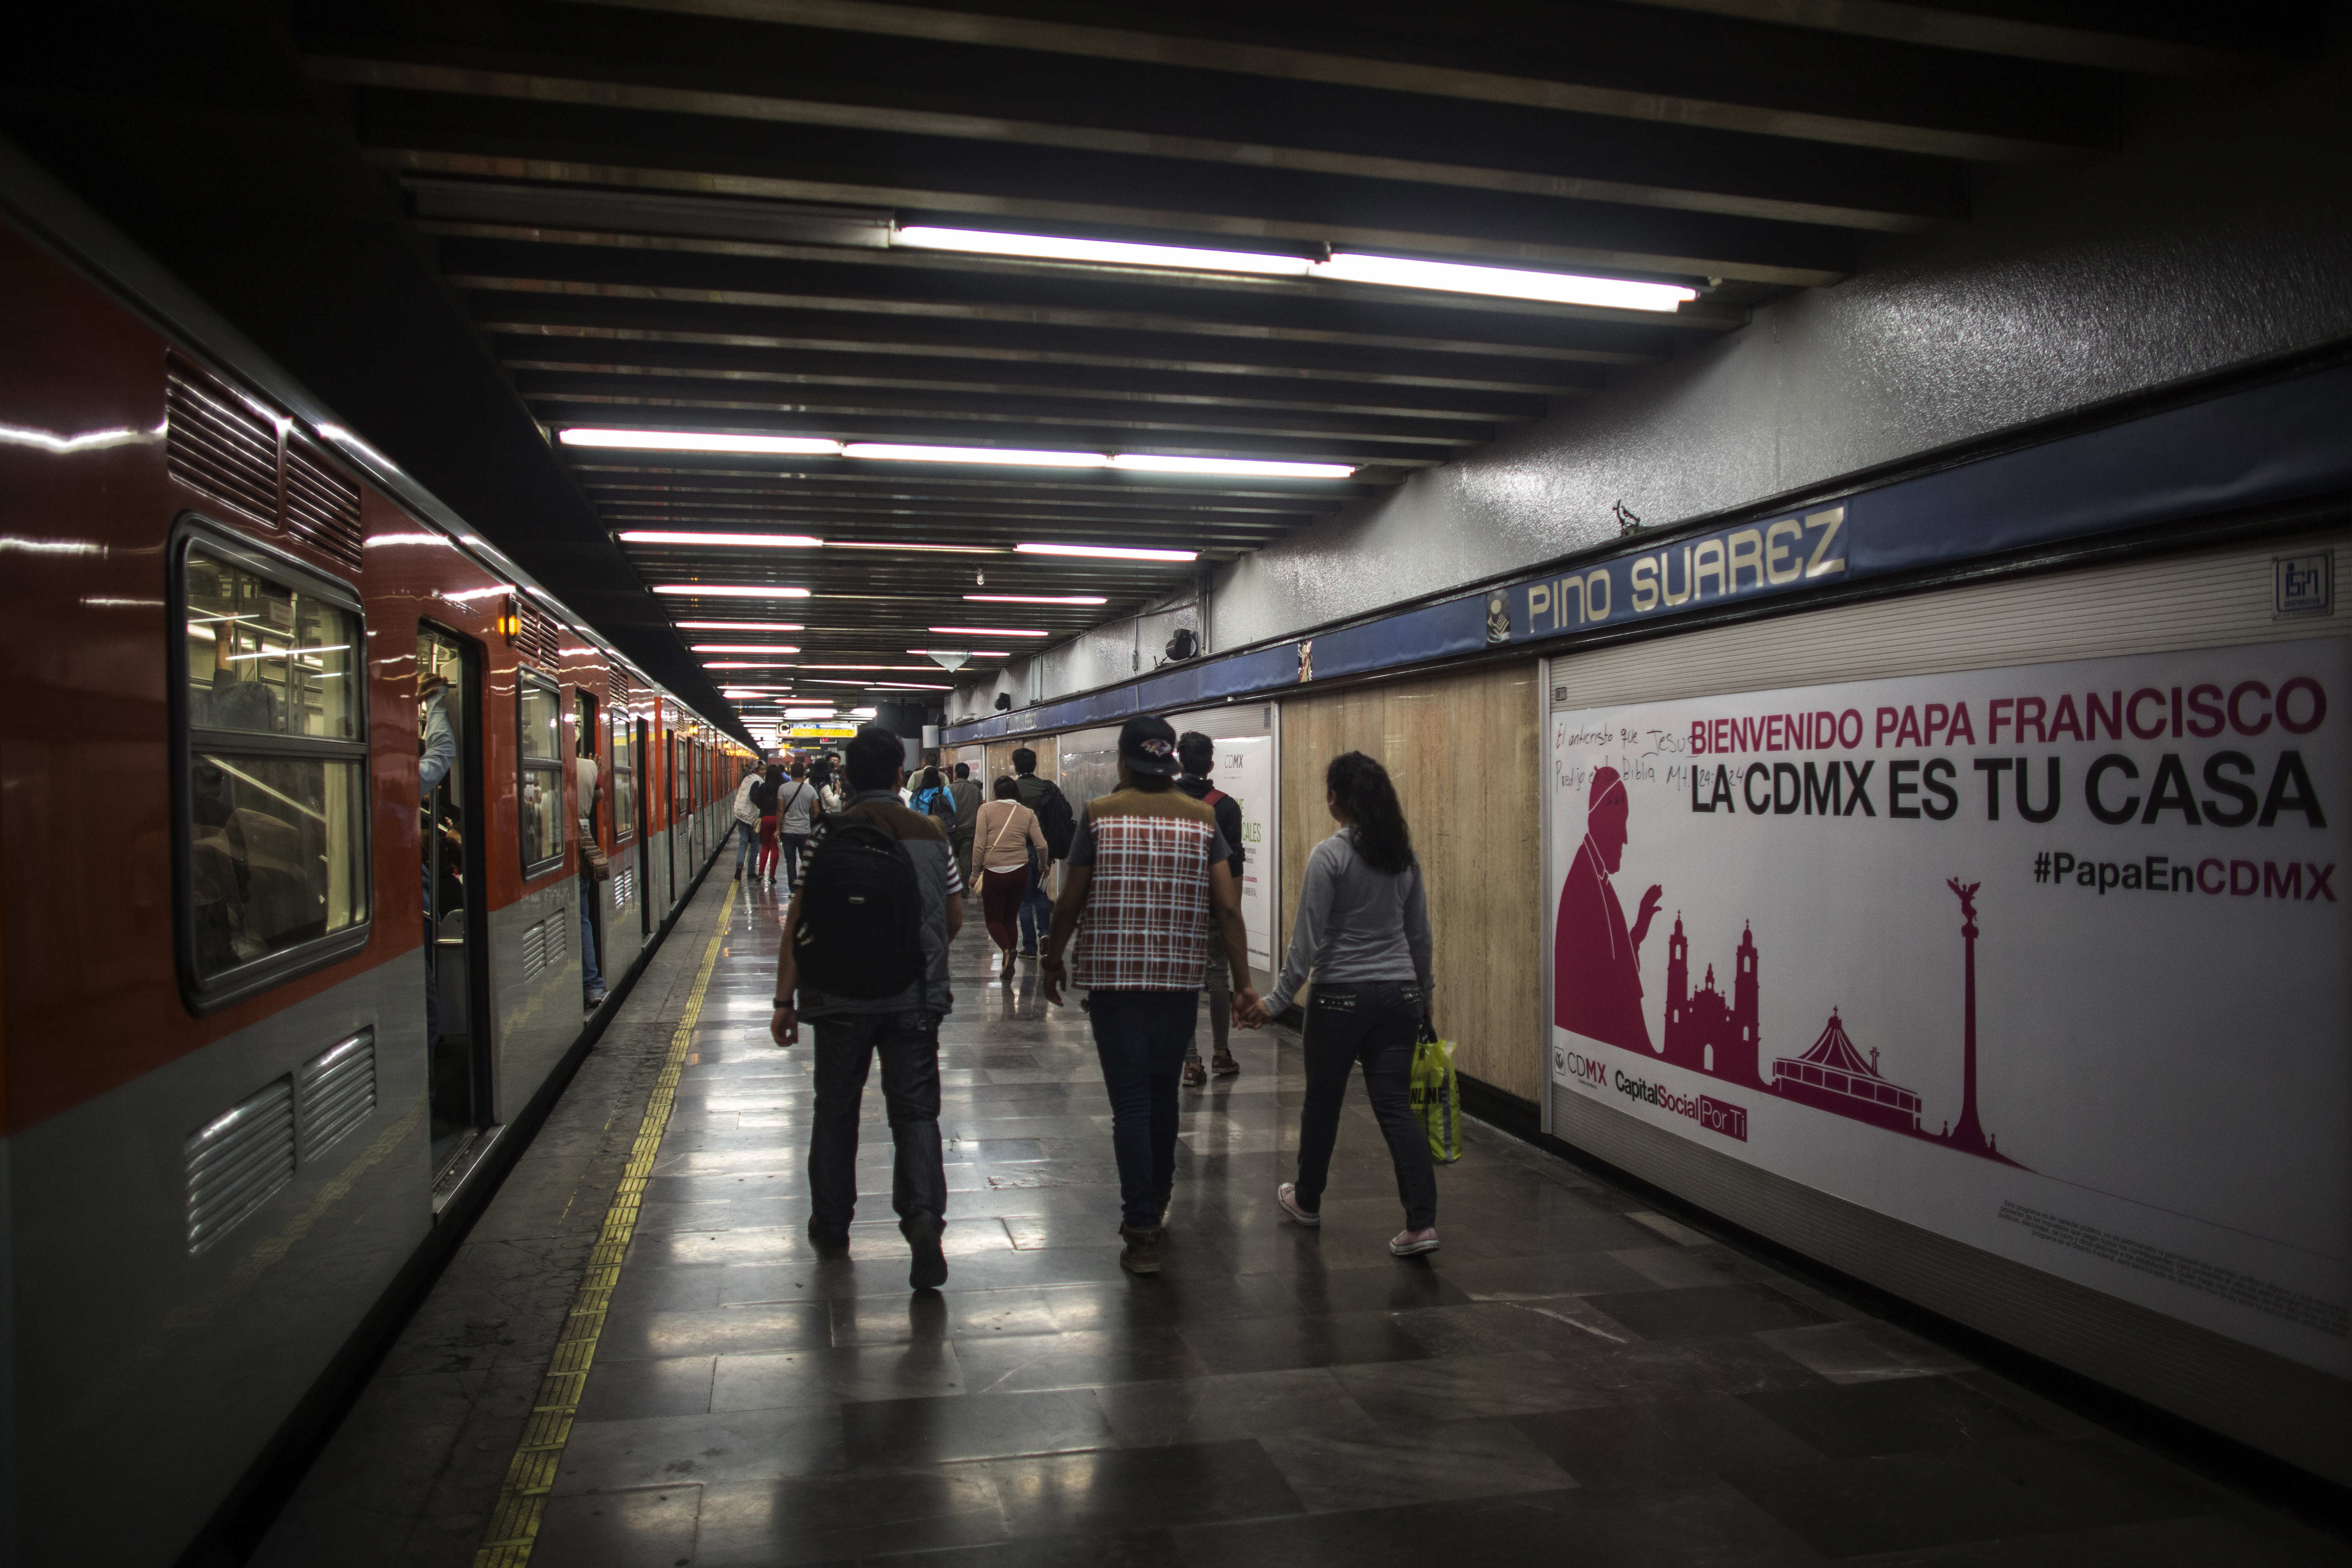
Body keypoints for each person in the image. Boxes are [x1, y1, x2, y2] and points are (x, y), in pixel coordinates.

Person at [1040, 716, 1262, 1275]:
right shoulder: (1204, 818)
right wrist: (1241, 982)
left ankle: (1142, 1222)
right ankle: (1157, 1196)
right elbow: (1228, 907)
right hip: (1179, 980)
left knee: (1131, 1105)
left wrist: (1052, 958)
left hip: (1114, 985)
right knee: (1163, 1096)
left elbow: (1068, 900)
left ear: (1122, 762)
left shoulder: (1098, 815)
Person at [769, 726, 966, 1290]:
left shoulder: (825, 837)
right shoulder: (929, 831)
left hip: (836, 997)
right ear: (899, 775)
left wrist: (785, 999)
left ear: (847, 778)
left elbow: (797, 920)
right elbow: (953, 917)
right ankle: (923, 1217)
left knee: (835, 1109)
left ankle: (832, 1222)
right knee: (914, 1112)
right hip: (912, 996)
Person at [1242, 752, 1439, 1258]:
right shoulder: (1403, 856)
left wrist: (1277, 1001)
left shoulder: (1329, 856)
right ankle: (1421, 1223)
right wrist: (1425, 997)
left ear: (1337, 800)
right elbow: (1419, 935)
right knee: (1395, 1104)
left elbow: (1305, 942)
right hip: (1399, 994)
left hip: (1340, 997)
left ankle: (1307, 1200)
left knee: (1322, 1101)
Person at [1553, 765, 1661, 1053]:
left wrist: (1637, 933)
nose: (1625, 838)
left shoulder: (1595, 876)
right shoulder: (1585, 884)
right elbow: (1603, 989)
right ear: (1601, 822)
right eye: (1620, 823)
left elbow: (1609, 962)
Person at [1173, 731, 1245, 1088]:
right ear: (1211, 765)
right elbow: (1235, 864)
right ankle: (1221, 1052)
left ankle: (1191, 1063)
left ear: (1179, 761)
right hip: (1215, 907)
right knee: (1218, 977)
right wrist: (1234, 911)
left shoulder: (1163, 801)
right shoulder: (1227, 806)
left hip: (1174, 910)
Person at [972, 776, 1048, 981]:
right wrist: (1042, 866)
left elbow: (979, 845)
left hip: (994, 871)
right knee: (1010, 919)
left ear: (995, 793)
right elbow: (1041, 845)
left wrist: (974, 873)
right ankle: (1008, 960)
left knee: (993, 921)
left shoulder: (986, 810)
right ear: (1016, 793)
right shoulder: (1027, 813)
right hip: (1020, 871)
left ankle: (1008, 950)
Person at [1010, 747, 1073, 959]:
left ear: (1016, 765)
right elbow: (1068, 811)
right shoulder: (1047, 787)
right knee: (1041, 894)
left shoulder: (1013, 789)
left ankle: (1030, 947)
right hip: (1044, 850)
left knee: (1024, 898)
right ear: (1035, 765)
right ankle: (1045, 934)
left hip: (1020, 850)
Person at [577, 742, 607, 1010]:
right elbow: (598, 798)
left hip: (552, 847)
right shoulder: (588, 767)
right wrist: (594, 770)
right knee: (582, 917)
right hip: (582, 849)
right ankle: (592, 985)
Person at [774, 760, 821, 890]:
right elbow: (816, 812)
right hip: (804, 831)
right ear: (804, 774)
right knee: (805, 860)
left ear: (791, 773)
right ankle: (805, 887)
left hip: (788, 831)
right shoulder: (810, 790)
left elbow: (780, 810)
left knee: (791, 861)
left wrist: (778, 829)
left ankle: (793, 889)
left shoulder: (783, 789)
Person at [947, 762, 984, 890]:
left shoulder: (950, 789)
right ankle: (965, 886)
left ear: (956, 774)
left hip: (953, 830)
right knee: (966, 859)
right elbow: (980, 809)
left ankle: (954, 885)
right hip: (970, 830)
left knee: (952, 857)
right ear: (968, 774)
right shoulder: (975, 790)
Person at [751, 760, 783, 886]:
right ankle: (771, 876)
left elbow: (758, 804)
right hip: (777, 820)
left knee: (765, 847)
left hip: (765, 819)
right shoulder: (782, 787)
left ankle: (760, 873)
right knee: (775, 848)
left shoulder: (763, 787)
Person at [730, 760, 762, 881]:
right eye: (762, 770)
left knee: (743, 843)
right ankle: (750, 871)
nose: (764, 772)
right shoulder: (758, 781)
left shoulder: (746, 780)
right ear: (756, 771)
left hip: (741, 814)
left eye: (765, 769)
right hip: (752, 816)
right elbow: (755, 799)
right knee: (754, 844)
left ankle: (739, 866)